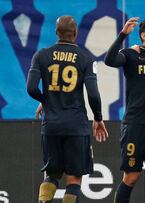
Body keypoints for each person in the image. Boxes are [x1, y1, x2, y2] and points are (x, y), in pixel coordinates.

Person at [26, 15, 108, 203]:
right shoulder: (86, 59)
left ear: (56, 33)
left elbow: (31, 88)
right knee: (74, 178)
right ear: (76, 33)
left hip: (51, 126)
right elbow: (93, 95)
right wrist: (98, 117)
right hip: (76, 126)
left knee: (52, 174)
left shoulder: (41, 55)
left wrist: (46, 100)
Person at [104, 17, 145, 203]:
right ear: (144, 35)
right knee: (131, 177)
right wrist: (123, 35)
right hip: (135, 126)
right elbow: (109, 60)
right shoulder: (131, 54)